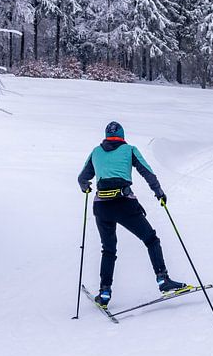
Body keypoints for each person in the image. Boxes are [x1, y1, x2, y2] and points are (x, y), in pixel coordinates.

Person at [78, 121, 190, 309]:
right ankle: (163, 281)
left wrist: (86, 187)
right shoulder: (129, 150)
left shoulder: (96, 152)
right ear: (122, 135)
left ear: (106, 135)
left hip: (101, 207)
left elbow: (82, 178)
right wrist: (159, 193)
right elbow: (147, 173)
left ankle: (104, 293)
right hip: (124, 204)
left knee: (108, 249)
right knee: (151, 240)